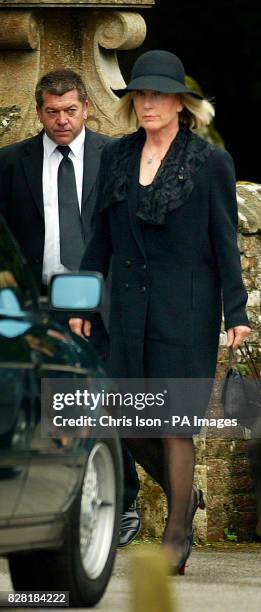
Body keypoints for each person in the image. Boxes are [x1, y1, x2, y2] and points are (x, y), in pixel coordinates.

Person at [70, 50, 251, 573]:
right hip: (126, 310)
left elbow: (224, 240)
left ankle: (176, 534)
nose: (147, 103)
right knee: (126, 418)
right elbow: (99, 236)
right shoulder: (117, 156)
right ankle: (183, 494)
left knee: (174, 424)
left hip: (185, 312)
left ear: (181, 103)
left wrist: (235, 312)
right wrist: (83, 302)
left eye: (157, 94)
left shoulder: (210, 161)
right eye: (140, 95)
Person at [0, 68, 141, 547]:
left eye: (70, 110)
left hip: (103, 302)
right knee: (47, 408)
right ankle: (58, 511)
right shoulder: (10, 163)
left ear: (86, 108)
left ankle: (123, 505)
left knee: (108, 403)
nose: (62, 120)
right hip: (37, 304)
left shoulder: (117, 157)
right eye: (52, 112)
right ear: (40, 112)